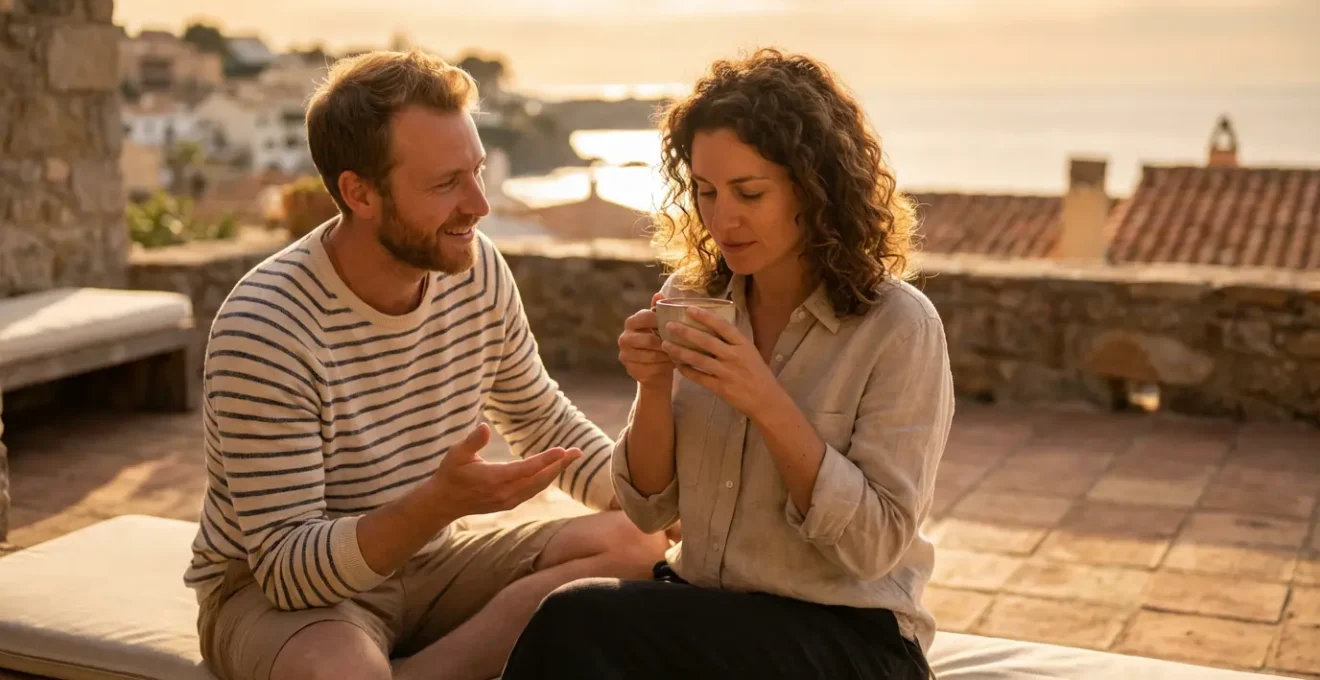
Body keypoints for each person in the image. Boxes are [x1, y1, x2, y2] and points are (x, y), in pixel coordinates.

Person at [183, 50, 668, 680]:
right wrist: (435, 505)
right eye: (445, 185)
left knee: (638, 545)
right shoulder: (267, 325)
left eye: (478, 172)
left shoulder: (476, 267)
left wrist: (656, 505)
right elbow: (287, 568)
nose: (479, 206)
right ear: (359, 192)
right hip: (278, 595)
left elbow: (541, 419)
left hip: (430, 564)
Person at [502, 48, 953, 680]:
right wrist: (654, 389)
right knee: (582, 627)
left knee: (574, 620)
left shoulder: (896, 327)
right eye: (707, 192)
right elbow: (649, 511)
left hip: (851, 638)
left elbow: (875, 545)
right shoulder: (704, 307)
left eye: (749, 192)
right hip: (708, 615)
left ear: (814, 187)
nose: (722, 218)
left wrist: (764, 399)